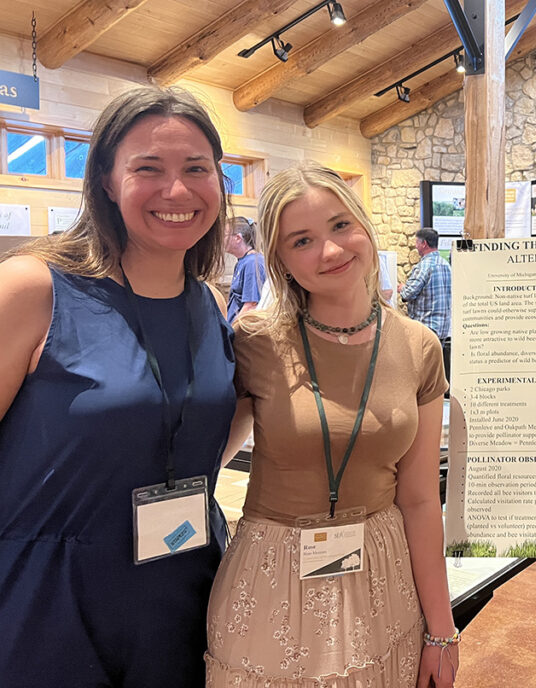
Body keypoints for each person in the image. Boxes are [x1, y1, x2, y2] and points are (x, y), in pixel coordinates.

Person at [0, 86, 236, 686]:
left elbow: (203, 437)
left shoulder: (208, 304)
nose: (176, 191)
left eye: (196, 169)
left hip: (184, 590)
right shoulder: (34, 289)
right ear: (106, 180)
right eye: (148, 169)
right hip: (50, 602)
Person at [207, 164, 457, 687]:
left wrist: (441, 628)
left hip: (382, 572)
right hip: (272, 572)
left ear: (364, 226)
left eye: (341, 226)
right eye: (303, 240)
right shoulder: (254, 341)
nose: (331, 250)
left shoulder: (419, 347)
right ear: (279, 260)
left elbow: (418, 498)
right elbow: (206, 459)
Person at [399, 227, 452, 385]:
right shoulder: (445, 265)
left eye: (417, 242)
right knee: (435, 374)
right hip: (442, 329)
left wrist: (402, 288)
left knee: (421, 375)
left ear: (424, 244)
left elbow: (407, 294)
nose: (415, 245)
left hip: (425, 328)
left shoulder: (424, 267)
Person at [225, 215, 266, 323]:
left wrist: (231, 332)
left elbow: (251, 306)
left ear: (238, 238)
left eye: (224, 235)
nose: (220, 240)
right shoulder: (242, 262)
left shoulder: (252, 263)